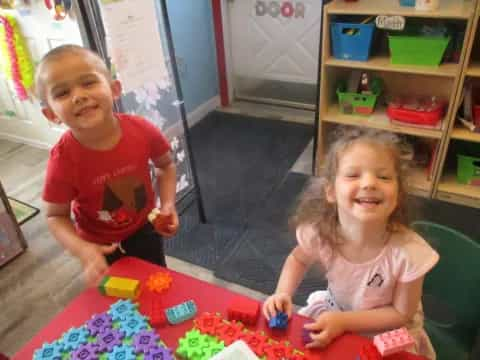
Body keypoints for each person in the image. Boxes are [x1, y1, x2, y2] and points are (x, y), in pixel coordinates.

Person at [262, 128, 439, 359]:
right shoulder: (321, 234)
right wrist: (282, 293)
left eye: (383, 177)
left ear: (399, 194)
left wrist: (344, 322)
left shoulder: (409, 253)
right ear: (331, 191)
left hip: (387, 332)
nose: (369, 183)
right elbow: (297, 259)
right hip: (337, 313)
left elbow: (400, 313)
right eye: (353, 175)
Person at [35, 44, 179, 288]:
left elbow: (165, 166)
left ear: (114, 89)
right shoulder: (63, 161)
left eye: (89, 82)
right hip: (98, 246)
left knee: (157, 285)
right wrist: (83, 250)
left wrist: (167, 204)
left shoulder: (142, 131)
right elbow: (55, 215)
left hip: (146, 230)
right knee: (118, 303)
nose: (78, 96)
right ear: (51, 114)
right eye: (62, 93)